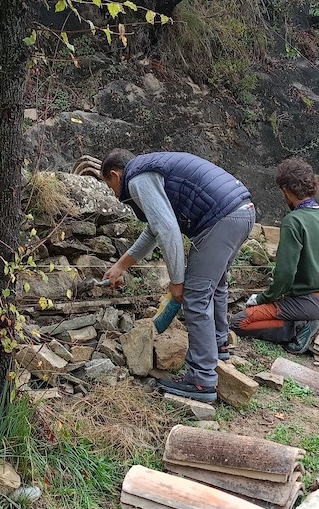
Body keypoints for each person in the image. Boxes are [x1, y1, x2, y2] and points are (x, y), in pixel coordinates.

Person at [100, 150, 256, 402]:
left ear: (116, 175)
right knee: (215, 285)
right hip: (242, 210)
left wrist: (177, 282)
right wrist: (120, 266)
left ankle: (201, 380)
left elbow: (167, 230)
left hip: (220, 218)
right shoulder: (150, 171)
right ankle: (218, 346)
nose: (115, 195)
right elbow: (154, 230)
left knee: (195, 296)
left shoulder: (137, 179)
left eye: (111, 187)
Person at [230, 158, 319, 355]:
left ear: (286, 190)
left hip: (308, 303)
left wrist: (263, 298)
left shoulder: (294, 220)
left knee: (239, 322)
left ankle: (300, 327)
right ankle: (316, 322)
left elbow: (285, 274)